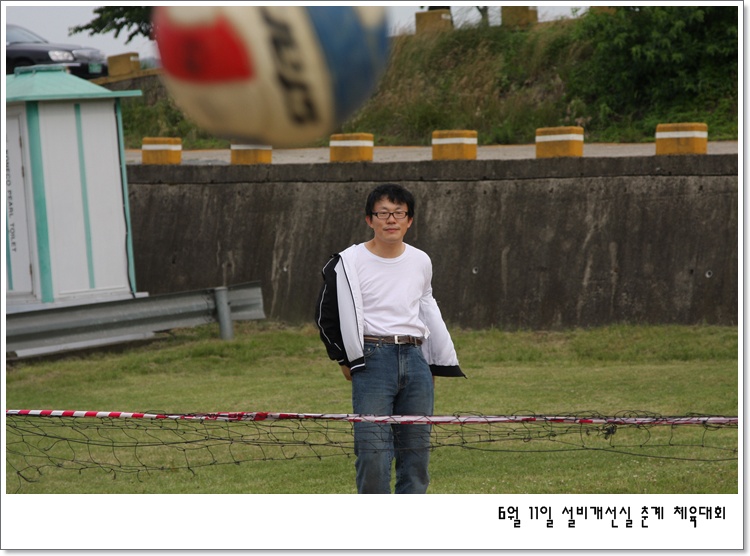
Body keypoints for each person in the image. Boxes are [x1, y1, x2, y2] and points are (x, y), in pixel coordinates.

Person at [315, 183, 464, 494]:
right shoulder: (347, 262)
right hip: (372, 359)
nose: (391, 220)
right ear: (369, 219)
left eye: (399, 213)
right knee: (373, 452)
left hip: (415, 358)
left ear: (410, 220)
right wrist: (343, 357)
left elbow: (426, 310)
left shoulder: (421, 260)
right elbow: (325, 315)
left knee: (416, 452)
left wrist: (432, 363)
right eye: (383, 213)